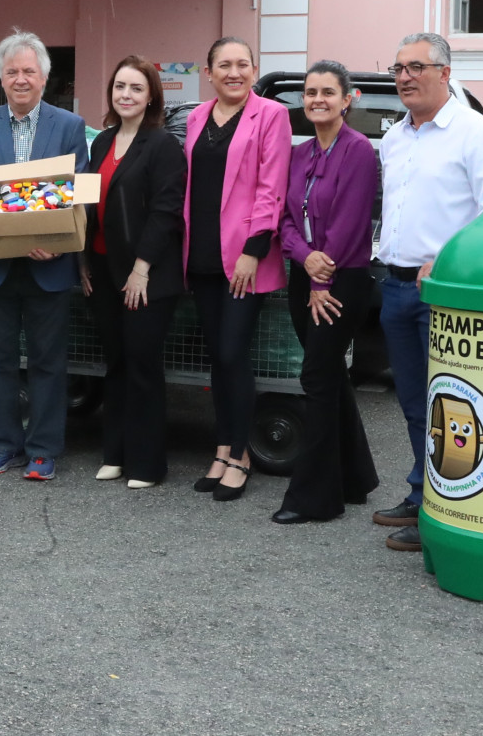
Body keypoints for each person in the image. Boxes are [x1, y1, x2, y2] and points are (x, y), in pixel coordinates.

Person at [370, 32, 483, 553]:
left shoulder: (474, 133)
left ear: (445, 74)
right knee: (411, 402)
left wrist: (444, 259)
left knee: (448, 408)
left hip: (443, 294)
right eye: (399, 67)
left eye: (417, 67)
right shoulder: (396, 136)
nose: (404, 77)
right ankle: (423, 491)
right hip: (396, 287)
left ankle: (443, 511)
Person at [0, 30, 90, 482]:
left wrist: (56, 237)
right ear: (1, 79)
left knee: (49, 360)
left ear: (45, 78)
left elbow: (78, 192)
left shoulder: (69, 126)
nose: (21, 79)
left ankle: (44, 450)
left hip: (49, 263)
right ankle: (3, 444)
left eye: (29, 71)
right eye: (12, 72)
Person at [182, 36, 291, 503]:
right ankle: (222, 447)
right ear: (209, 72)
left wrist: (254, 246)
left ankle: (240, 453)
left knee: (232, 354)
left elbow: (272, 185)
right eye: (224, 65)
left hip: (245, 258)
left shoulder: (272, 115)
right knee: (216, 357)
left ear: (253, 69)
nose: (234, 72)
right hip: (202, 253)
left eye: (242, 64)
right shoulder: (195, 117)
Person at [273, 60, 381, 524]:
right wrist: (304, 258)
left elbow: (352, 221)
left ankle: (313, 498)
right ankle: (355, 478)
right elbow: (285, 221)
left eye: (327, 93)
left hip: (342, 282)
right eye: (310, 92)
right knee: (330, 375)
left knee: (316, 380)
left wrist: (321, 276)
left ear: (347, 99)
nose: (317, 99)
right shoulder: (299, 154)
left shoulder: (358, 151)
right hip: (307, 278)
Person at [85, 56, 186, 489]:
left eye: (136, 88)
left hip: (146, 275)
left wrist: (142, 269)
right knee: (117, 363)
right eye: (119, 86)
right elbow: (89, 206)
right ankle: (115, 453)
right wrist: (83, 261)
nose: (126, 95)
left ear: (150, 97)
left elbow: (166, 212)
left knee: (143, 365)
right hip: (105, 270)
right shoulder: (101, 142)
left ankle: (146, 464)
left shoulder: (162, 145)